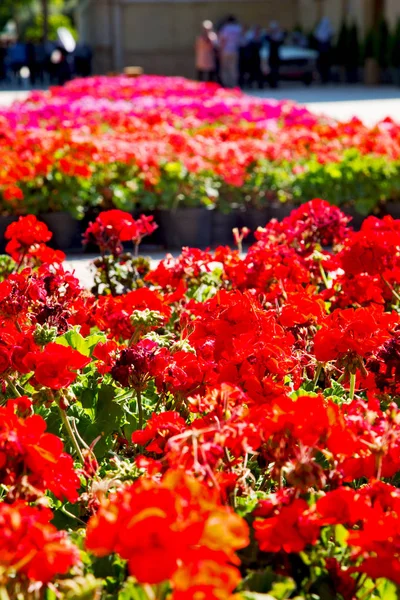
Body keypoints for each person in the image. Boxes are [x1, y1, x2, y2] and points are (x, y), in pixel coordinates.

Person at [219, 15, 242, 88]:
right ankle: (233, 84)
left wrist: (220, 50)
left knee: (225, 68)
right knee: (233, 68)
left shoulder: (225, 28)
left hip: (226, 50)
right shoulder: (238, 28)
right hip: (235, 50)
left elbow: (223, 40)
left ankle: (226, 85)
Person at [266, 21, 285, 88]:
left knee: (276, 70)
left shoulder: (279, 36)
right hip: (271, 55)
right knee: (271, 70)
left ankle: (275, 83)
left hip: (277, 55)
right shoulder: (268, 36)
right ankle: (271, 83)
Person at [314, 16, 333, 83]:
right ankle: (323, 78)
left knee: (326, 66)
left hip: (325, 52)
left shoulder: (328, 30)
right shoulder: (320, 31)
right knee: (322, 66)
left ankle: (326, 78)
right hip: (322, 52)